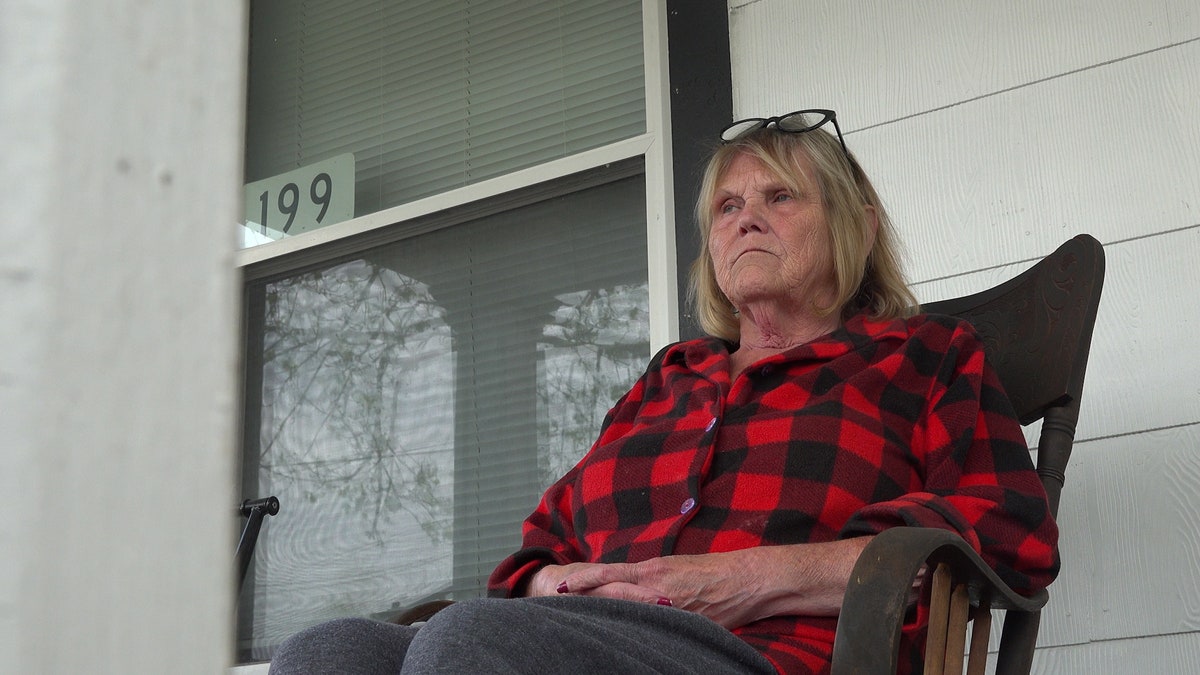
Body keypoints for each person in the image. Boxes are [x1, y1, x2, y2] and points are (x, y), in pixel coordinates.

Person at [269, 109, 1059, 674]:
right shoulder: (669, 381)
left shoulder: (921, 358)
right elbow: (539, 548)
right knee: (325, 653)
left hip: (773, 655)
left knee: (471, 643)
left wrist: (745, 579)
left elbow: (1009, 530)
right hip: (579, 637)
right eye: (727, 206)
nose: (746, 221)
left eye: (780, 198)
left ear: (855, 221)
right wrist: (553, 582)